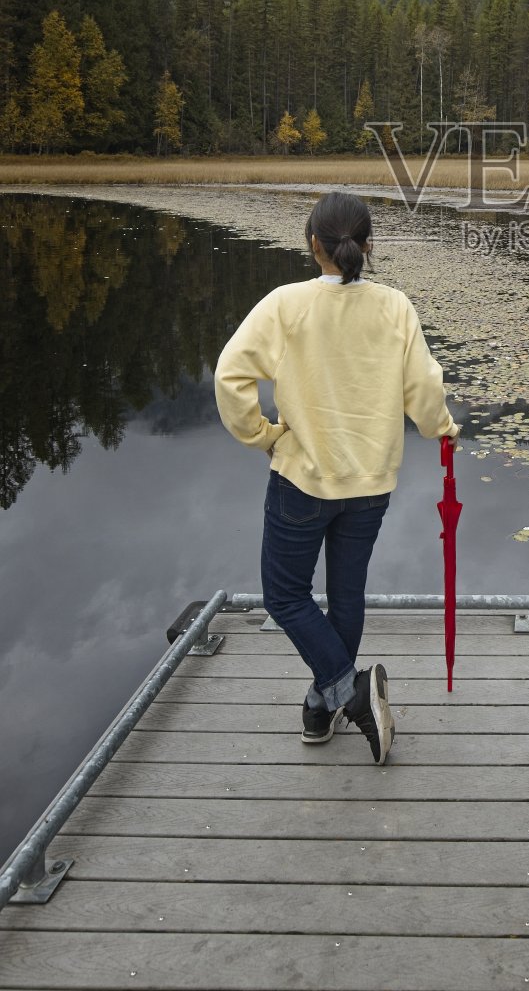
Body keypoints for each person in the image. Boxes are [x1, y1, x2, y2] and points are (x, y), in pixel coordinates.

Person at [214, 190, 460, 762]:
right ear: (367, 245)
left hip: (303, 479)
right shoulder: (395, 306)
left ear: (313, 244)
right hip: (371, 484)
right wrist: (441, 428)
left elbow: (231, 376)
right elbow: (423, 389)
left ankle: (346, 694)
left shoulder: (286, 304)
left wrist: (263, 434)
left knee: (284, 596)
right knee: (346, 595)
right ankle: (322, 707)